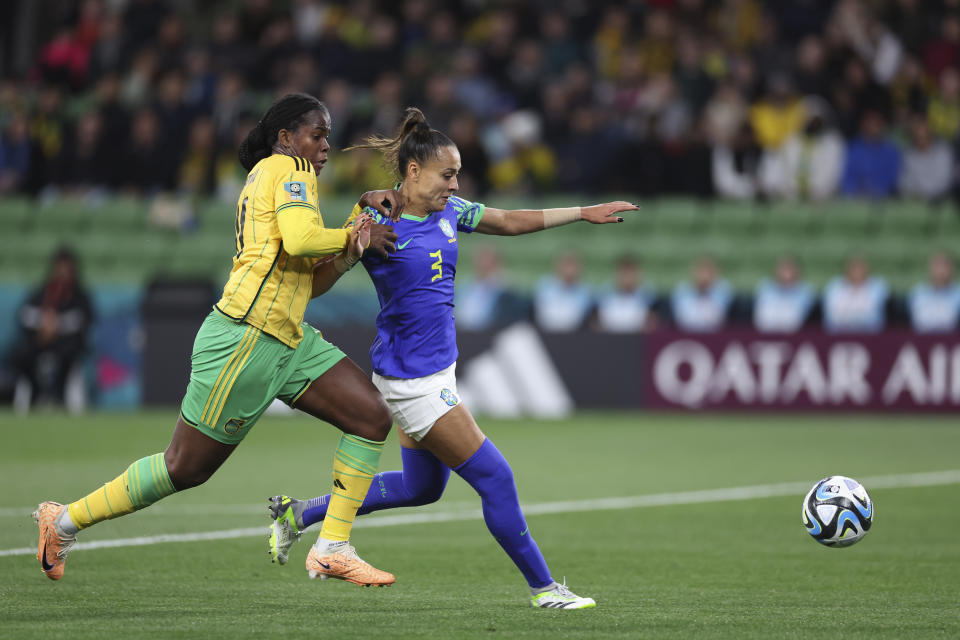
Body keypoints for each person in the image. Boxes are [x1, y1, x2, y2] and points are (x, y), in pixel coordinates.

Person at [267, 107, 637, 609]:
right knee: (496, 477)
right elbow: (319, 281)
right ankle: (546, 589)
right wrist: (354, 244)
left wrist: (581, 211)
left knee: (422, 488)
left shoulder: (449, 211)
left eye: (458, 173)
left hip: (434, 369)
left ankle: (301, 514)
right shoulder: (376, 219)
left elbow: (506, 219)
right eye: (448, 174)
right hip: (411, 380)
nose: (455, 183)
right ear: (413, 172)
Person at [32, 93, 404, 587]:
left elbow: (307, 279)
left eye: (328, 136)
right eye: (317, 134)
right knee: (184, 468)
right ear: (286, 137)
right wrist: (356, 229)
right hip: (246, 338)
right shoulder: (289, 168)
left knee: (371, 417)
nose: (325, 145)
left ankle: (332, 545)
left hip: (287, 338)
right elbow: (299, 241)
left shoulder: (278, 177)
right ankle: (61, 522)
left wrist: (351, 244)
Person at [12, 247, 93, 411]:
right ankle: (33, 397)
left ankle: (60, 397)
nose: (62, 273)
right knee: (22, 355)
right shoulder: (42, 291)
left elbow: (83, 319)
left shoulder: (79, 294)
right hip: (40, 340)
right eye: (59, 268)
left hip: (66, 342)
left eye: (66, 268)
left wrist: (57, 326)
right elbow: (25, 315)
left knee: (68, 355)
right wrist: (43, 325)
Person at [822, 255, 889, 333]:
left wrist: (848, 317)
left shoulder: (878, 287)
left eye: (860, 268)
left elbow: (873, 318)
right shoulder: (834, 286)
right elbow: (830, 318)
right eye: (854, 268)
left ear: (867, 269)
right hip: (838, 335)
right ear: (846, 270)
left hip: (870, 336)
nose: (857, 271)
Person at [533, 251, 594, 332]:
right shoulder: (544, 287)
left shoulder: (586, 292)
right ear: (558, 266)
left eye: (573, 265)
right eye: (567, 265)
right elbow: (543, 316)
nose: (570, 269)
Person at [753, 256, 816, 333]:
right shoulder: (765, 288)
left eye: (789, 267)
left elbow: (793, 320)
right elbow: (762, 320)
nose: (786, 271)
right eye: (783, 268)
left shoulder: (806, 291)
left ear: (797, 270)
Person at [670, 256, 733, 332]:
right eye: (701, 271)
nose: (704, 276)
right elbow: (683, 320)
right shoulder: (681, 291)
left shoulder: (723, 290)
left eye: (708, 272)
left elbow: (717, 319)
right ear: (694, 272)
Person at [595, 255, 656, 332]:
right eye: (624, 272)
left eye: (631, 272)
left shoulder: (648, 297)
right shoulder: (604, 297)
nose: (628, 277)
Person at [908, 251, 960, 333]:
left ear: (951, 269)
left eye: (945, 265)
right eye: (937, 265)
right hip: (921, 341)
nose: (941, 271)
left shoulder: (958, 294)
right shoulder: (917, 293)